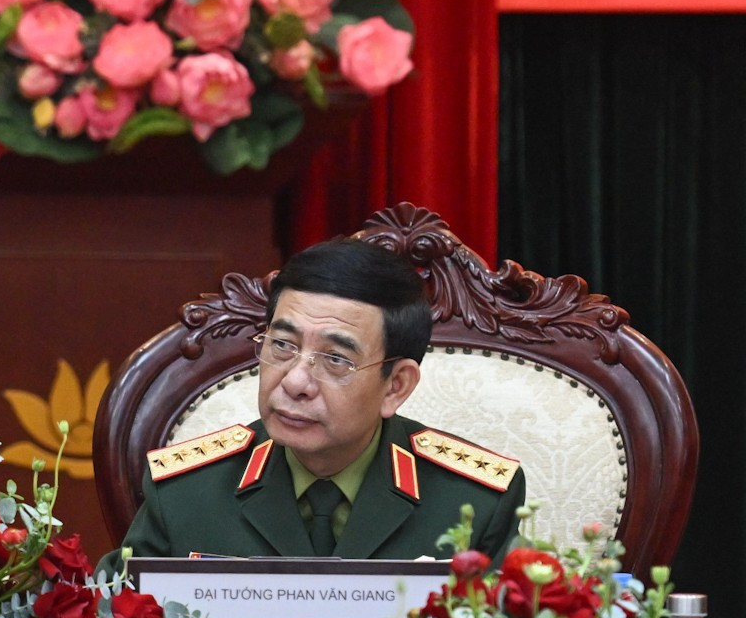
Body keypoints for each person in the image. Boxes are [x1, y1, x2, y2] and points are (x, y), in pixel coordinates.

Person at [119, 239, 525, 560]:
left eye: (335, 359)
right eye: (282, 345)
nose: (296, 381)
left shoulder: (473, 502)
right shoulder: (185, 492)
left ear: (395, 386)